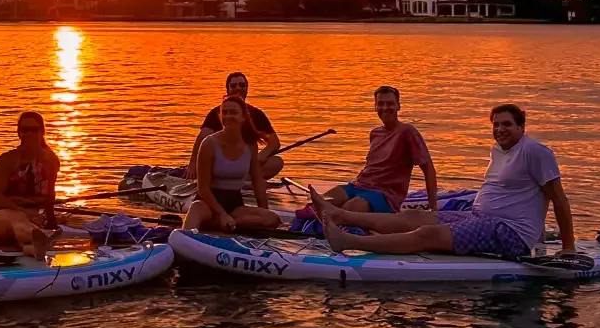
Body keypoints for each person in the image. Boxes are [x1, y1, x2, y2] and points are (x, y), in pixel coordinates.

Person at [308, 103, 576, 263]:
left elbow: (557, 200)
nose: (499, 129)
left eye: (506, 124)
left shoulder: (535, 152)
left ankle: (346, 241)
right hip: (479, 218)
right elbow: (527, 199)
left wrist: (568, 248)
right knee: (414, 216)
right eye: (495, 124)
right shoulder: (499, 151)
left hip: (509, 233)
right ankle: (338, 213)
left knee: (426, 235)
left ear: (522, 127)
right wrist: (540, 241)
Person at [310, 86, 437, 221]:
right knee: (319, 203)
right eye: (381, 104)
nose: (385, 108)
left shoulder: (407, 131)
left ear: (398, 106)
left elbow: (428, 168)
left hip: (384, 194)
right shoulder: (375, 133)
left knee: (350, 208)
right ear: (375, 107)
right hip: (359, 186)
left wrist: (433, 208)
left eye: (390, 104)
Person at [182, 95, 284, 235]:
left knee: (272, 219)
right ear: (220, 116)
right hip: (207, 203)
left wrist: (263, 210)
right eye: (225, 112)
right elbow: (203, 188)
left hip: (234, 204)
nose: (229, 116)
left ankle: (224, 224)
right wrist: (222, 213)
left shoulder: (250, 144)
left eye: (234, 112)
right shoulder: (209, 144)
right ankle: (200, 231)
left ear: (243, 117)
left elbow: (257, 180)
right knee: (195, 210)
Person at [0, 111, 62, 259]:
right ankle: (42, 237)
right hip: (0, 216)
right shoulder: (7, 160)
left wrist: (51, 219)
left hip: (32, 217)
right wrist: (23, 211)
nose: (29, 134)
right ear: (19, 133)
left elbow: (50, 194)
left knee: (23, 227)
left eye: (34, 130)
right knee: (17, 220)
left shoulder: (51, 160)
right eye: (25, 130)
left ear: (42, 132)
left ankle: (34, 249)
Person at [186, 72, 283, 182]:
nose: (238, 88)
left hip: (246, 164)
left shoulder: (257, 114)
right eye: (233, 86)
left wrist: (260, 157)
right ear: (227, 89)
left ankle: (246, 179)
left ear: (247, 89)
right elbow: (202, 136)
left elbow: (274, 142)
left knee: (277, 162)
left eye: (242, 85)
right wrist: (193, 164)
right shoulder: (216, 113)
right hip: (220, 163)